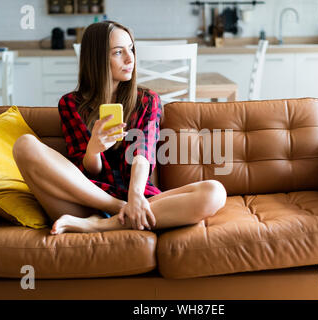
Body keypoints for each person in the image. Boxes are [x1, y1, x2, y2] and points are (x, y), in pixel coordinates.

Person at [12, 21, 227, 235]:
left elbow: (143, 153)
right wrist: (93, 150)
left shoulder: (147, 100)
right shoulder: (70, 104)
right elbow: (82, 171)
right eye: (118, 52)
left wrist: (134, 196)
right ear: (96, 59)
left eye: (131, 49)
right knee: (24, 145)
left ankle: (99, 225)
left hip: (138, 198)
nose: (129, 58)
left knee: (215, 192)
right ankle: (120, 211)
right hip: (86, 200)